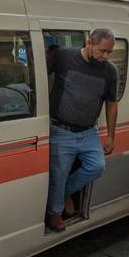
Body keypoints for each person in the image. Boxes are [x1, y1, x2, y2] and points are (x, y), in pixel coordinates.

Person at [45, 28, 118, 232]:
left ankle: (65, 191)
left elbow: (111, 103)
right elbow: (39, 76)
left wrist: (111, 135)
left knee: (96, 166)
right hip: (61, 129)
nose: (105, 57)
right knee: (58, 174)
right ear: (89, 43)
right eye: (102, 51)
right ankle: (55, 212)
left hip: (89, 131)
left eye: (109, 53)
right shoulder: (63, 57)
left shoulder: (110, 71)